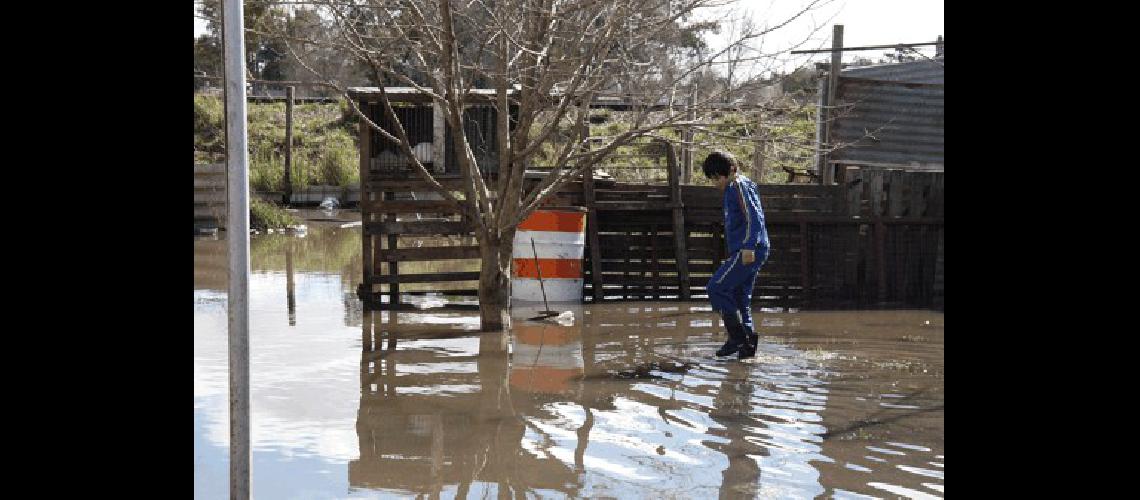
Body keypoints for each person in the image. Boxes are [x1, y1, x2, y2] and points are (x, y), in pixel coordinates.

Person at [701, 151, 769, 359]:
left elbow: (753, 217)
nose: (715, 183)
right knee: (740, 298)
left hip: (748, 249)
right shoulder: (737, 186)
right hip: (750, 248)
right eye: (712, 179)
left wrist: (748, 246)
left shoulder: (738, 185)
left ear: (730, 171)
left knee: (716, 287)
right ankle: (747, 345)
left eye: (716, 178)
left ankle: (736, 337)